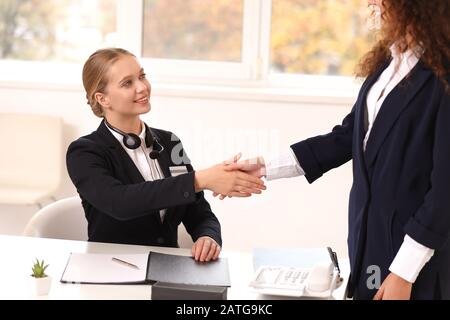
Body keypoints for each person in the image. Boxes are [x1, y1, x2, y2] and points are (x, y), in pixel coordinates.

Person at [227, 0, 450, 299]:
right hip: (367, 242)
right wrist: (267, 166)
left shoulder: (442, 74)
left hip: (414, 262)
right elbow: (348, 137)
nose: (375, 3)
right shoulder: (390, 61)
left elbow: (444, 193)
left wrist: (403, 273)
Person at [66, 48, 266, 262]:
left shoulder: (170, 143)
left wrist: (208, 236)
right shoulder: (84, 152)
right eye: (127, 83)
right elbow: (120, 202)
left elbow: (197, 210)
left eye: (142, 76)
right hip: (111, 270)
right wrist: (201, 179)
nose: (142, 87)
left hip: (167, 268)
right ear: (103, 99)